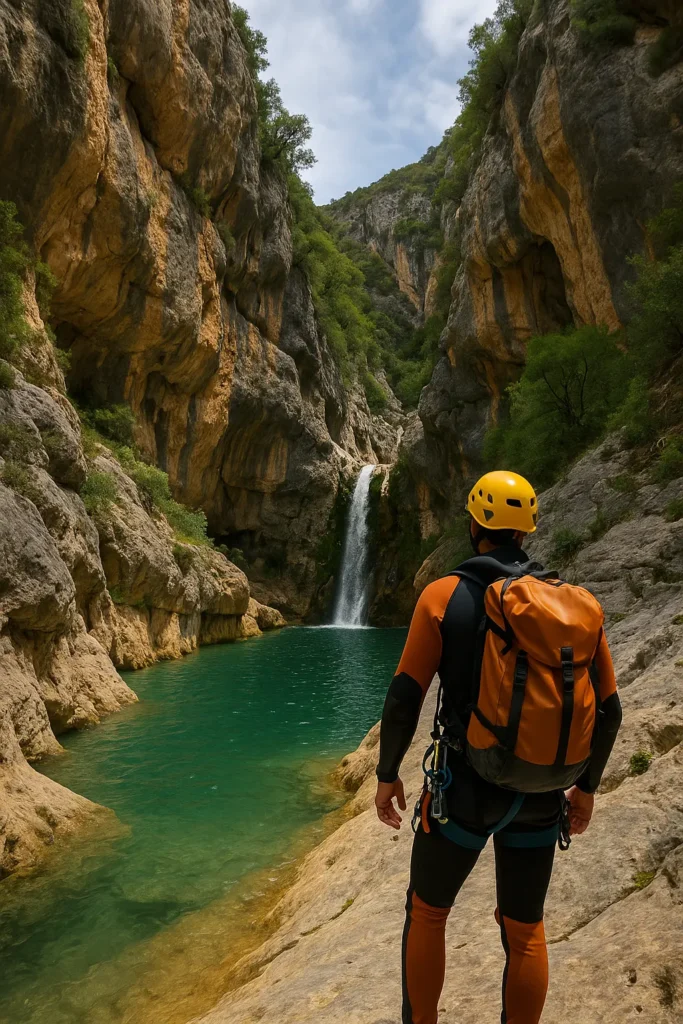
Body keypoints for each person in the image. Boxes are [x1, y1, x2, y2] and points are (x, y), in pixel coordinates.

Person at [374, 470, 623, 1024]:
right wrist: (585, 789)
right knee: (525, 928)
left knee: (429, 911)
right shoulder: (571, 606)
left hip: (464, 789)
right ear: (526, 532)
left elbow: (403, 698)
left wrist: (387, 773)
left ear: (473, 526)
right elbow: (610, 710)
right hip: (542, 789)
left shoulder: (443, 596)